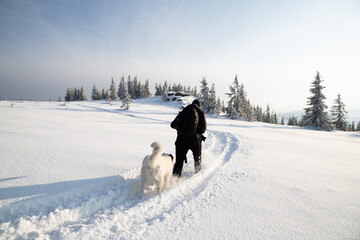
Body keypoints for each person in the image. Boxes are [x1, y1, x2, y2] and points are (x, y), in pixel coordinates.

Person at [170, 99, 207, 177]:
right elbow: (203, 129)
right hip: (195, 141)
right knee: (197, 158)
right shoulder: (200, 113)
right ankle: (197, 174)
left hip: (181, 140)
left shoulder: (183, 112)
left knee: (179, 161)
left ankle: (175, 180)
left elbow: (172, 125)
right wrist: (197, 132)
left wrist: (182, 130)